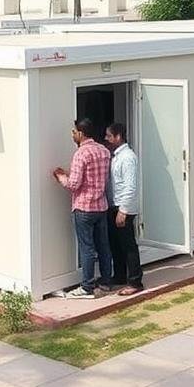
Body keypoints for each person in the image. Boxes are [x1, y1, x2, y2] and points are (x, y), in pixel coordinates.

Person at [53, 118, 113, 299]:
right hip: (101, 206)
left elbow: (73, 185)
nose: (72, 135)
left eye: (73, 132)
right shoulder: (104, 151)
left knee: (87, 248)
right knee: (103, 246)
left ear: (80, 133)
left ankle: (86, 287)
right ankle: (105, 282)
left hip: (84, 207)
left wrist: (60, 176)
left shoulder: (81, 154)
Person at [105, 122, 143, 295]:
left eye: (109, 136)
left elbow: (131, 186)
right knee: (116, 244)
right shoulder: (115, 156)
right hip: (114, 206)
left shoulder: (128, 157)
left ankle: (135, 282)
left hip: (123, 208)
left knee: (128, 245)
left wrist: (123, 210)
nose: (107, 139)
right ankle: (120, 276)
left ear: (118, 136)